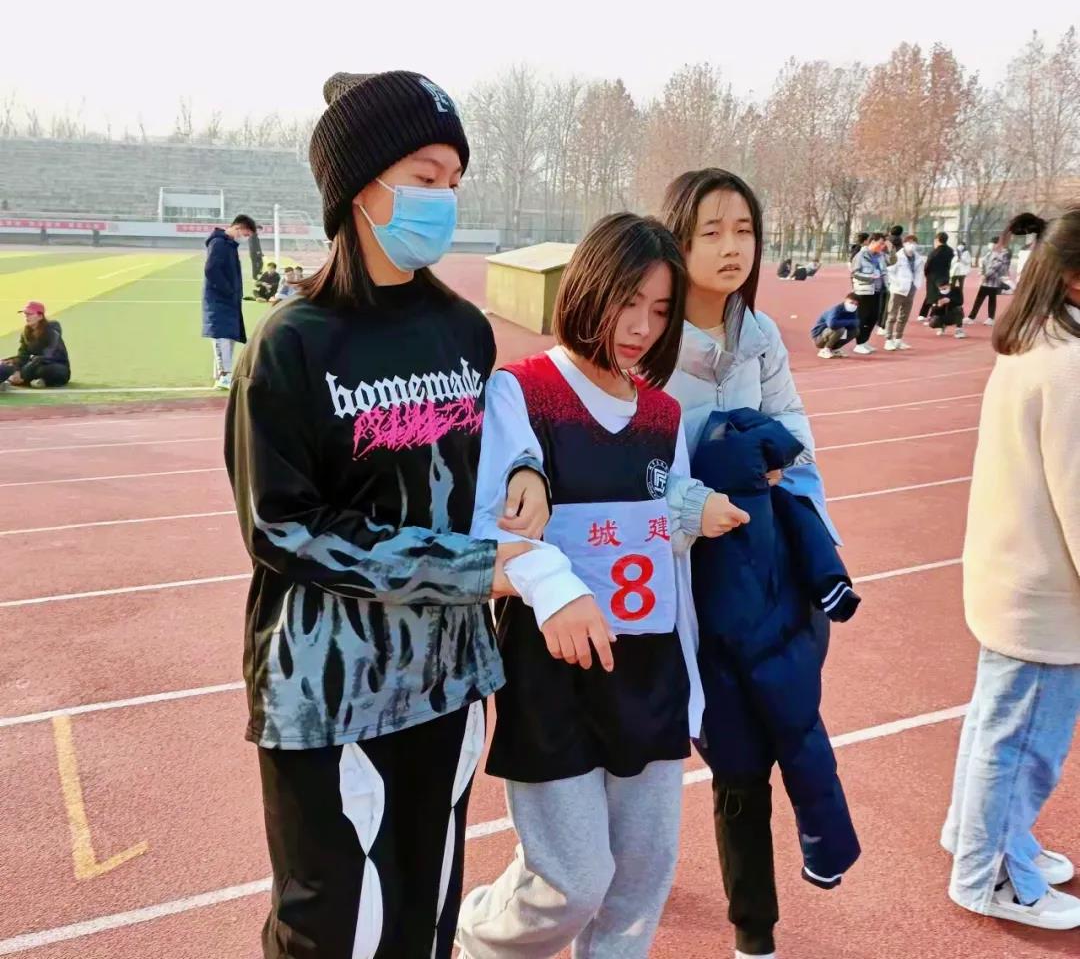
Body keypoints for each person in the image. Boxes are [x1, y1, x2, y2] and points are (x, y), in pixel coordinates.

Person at [225, 69, 551, 959]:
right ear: (359, 188)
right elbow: (284, 528)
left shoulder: (463, 330)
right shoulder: (291, 343)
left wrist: (526, 471)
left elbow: (490, 444)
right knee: (332, 929)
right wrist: (467, 568)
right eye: (423, 176)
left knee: (423, 918)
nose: (442, 198)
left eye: (454, 180)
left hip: (447, 678)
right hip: (328, 689)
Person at [457, 213, 748, 959]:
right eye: (628, 303)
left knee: (640, 882)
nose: (642, 328)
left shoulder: (662, 413)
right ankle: (479, 934)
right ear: (587, 289)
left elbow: (662, 528)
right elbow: (494, 526)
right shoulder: (521, 392)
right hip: (553, 677)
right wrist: (553, 585)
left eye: (660, 310)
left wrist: (697, 514)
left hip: (648, 674)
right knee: (573, 881)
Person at [662, 168, 842, 959]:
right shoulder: (649, 337)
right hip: (672, 580)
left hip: (757, 577)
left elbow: (795, 438)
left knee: (745, 756)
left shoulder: (759, 333)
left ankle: (753, 934)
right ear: (676, 242)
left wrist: (810, 545)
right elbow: (627, 464)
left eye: (744, 230)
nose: (732, 247)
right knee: (636, 751)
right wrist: (698, 497)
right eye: (711, 232)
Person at [942, 206, 1080, 931]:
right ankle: (990, 873)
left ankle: (980, 839)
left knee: (995, 728)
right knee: (1023, 744)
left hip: (1014, 576)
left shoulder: (1035, 340)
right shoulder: (1069, 365)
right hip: (1045, 595)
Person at [202, 214, 256, 389]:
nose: (246, 238)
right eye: (246, 234)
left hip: (229, 300)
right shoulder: (219, 244)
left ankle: (221, 375)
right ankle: (224, 375)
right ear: (238, 228)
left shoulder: (229, 246)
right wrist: (227, 290)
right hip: (219, 299)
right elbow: (211, 270)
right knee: (221, 336)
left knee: (229, 337)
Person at [0, 302, 71, 389]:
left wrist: (23, 374)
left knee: (45, 370)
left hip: (55, 365)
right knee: (9, 365)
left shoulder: (51, 331)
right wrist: (12, 364)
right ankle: (21, 379)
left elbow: (47, 356)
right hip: (35, 365)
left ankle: (21, 379)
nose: (26, 317)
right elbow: (23, 356)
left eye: (29, 314)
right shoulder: (26, 333)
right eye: (25, 314)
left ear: (40, 316)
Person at [883, 235, 926, 351]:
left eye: (914, 242)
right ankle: (888, 340)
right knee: (892, 315)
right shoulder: (898, 256)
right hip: (897, 290)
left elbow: (919, 273)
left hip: (911, 290)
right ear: (904, 243)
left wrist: (916, 285)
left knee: (904, 316)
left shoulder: (918, 258)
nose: (911, 245)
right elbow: (890, 271)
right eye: (909, 242)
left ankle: (898, 339)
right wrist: (897, 283)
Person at [850, 233, 887, 354]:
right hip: (864, 290)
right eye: (880, 243)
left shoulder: (881, 256)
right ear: (872, 242)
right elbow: (854, 273)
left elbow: (892, 262)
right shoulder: (861, 255)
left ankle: (865, 341)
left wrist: (892, 249)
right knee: (863, 317)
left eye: (884, 244)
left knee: (874, 317)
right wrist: (870, 277)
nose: (882, 246)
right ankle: (859, 343)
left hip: (878, 290)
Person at [967, 232, 1012, 325]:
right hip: (986, 280)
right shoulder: (990, 253)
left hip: (993, 280)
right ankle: (977, 317)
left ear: (998, 244)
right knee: (983, 299)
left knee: (987, 299)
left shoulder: (1003, 253)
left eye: (993, 243)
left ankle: (983, 318)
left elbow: (996, 266)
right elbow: (983, 263)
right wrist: (981, 272)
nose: (991, 245)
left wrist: (986, 275)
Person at [811, 292, 861, 358]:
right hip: (819, 337)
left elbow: (856, 323)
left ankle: (835, 349)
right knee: (840, 329)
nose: (853, 305)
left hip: (831, 333)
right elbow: (832, 324)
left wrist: (849, 323)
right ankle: (825, 350)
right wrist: (849, 322)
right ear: (845, 300)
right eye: (851, 302)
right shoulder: (836, 309)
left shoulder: (853, 311)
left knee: (855, 331)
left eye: (856, 304)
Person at [918, 232, 954, 321]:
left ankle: (928, 315)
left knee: (932, 295)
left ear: (937, 240)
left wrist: (926, 273)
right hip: (945, 275)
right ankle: (928, 314)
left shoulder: (935, 252)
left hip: (933, 276)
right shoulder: (950, 251)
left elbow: (928, 264)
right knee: (941, 294)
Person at [951, 240, 974, 308]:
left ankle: (960, 300)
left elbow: (968, 261)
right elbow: (952, 261)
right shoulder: (954, 252)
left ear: (964, 246)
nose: (961, 246)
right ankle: (951, 298)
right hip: (954, 272)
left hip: (962, 272)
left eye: (962, 245)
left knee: (961, 286)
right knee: (952, 285)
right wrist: (956, 259)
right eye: (960, 244)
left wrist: (961, 258)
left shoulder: (966, 253)